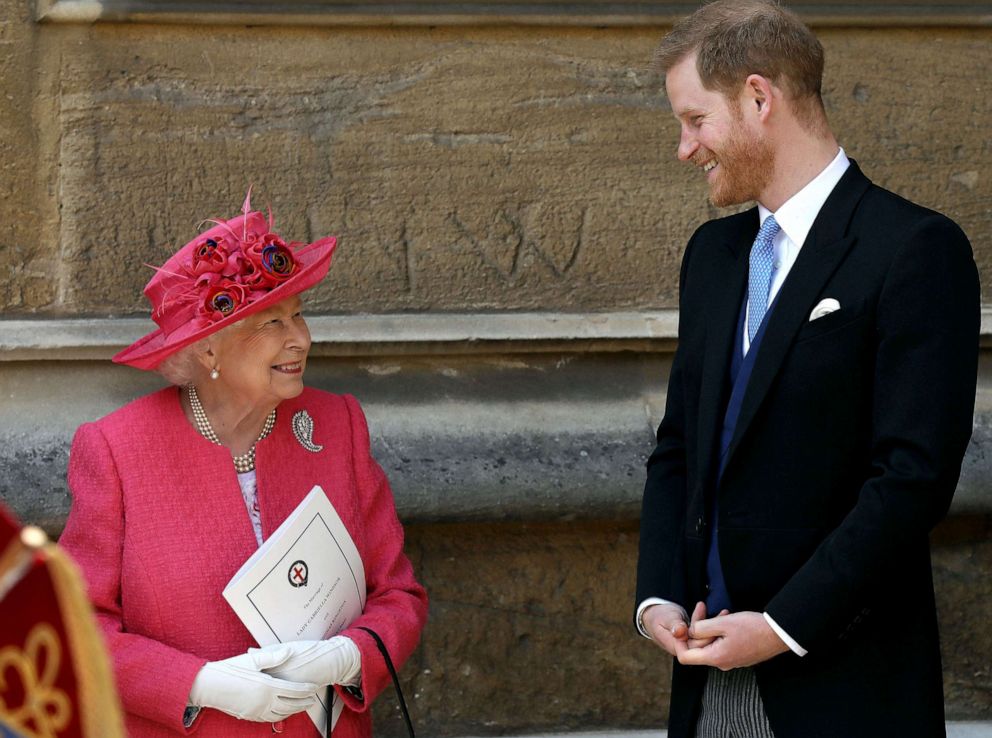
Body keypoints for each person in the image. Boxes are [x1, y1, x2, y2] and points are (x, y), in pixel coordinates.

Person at [633, 2, 979, 737]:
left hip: (844, 687)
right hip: (706, 689)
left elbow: (912, 479)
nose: (684, 147)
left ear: (759, 98)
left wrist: (783, 625)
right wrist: (657, 598)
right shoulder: (712, 258)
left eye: (695, 120)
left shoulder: (914, 249)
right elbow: (680, 448)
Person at [60, 193, 428, 737]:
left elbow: (399, 597)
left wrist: (349, 658)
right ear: (208, 351)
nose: (300, 339)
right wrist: (199, 684)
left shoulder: (337, 425)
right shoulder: (116, 451)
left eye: (299, 314)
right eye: (271, 322)